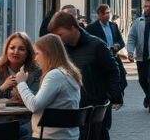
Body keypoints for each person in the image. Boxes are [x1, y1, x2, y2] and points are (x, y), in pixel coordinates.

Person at [49, 11, 122, 139]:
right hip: (71, 107)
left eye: (60, 34)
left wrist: (115, 96)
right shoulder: (61, 50)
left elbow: (112, 71)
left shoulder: (96, 45)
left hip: (95, 106)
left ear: (72, 28)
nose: (58, 39)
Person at [15, 34, 82, 139]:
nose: (35, 59)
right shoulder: (69, 73)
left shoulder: (55, 75)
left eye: (37, 54)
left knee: (7, 132)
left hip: (50, 137)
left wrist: (21, 83)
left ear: (47, 53)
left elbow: (34, 106)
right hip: (68, 136)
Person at [0, 32, 41, 136]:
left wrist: (12, 98)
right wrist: (2, 89)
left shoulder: (36, 71)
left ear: (28, 53)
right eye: (12, 48)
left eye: (21, 49)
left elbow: (37, 99)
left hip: (27, 121)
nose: (15, 52)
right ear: (6, 50)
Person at [85, 4, 128, 92]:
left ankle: (118, 98)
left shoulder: (113, 26)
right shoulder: (91, 28)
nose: (108, 15)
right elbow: (88, 44)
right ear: (100, 15)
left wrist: (117, 46)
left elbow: (121, 41)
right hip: (101, 60)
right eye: (106, 13)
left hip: (114, 57)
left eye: (109, 13)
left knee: (122, 80)